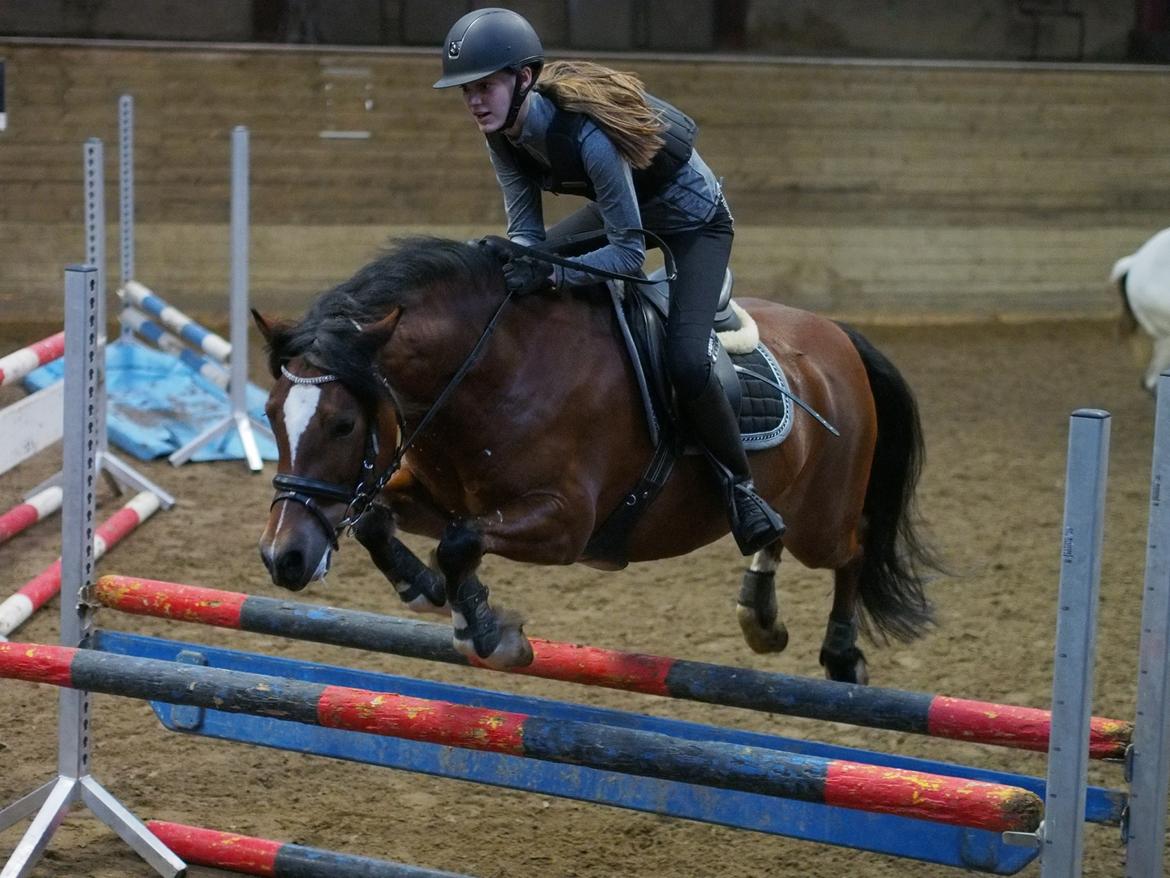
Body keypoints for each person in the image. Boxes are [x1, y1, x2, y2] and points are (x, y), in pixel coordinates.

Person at [433, 7, 784, 555]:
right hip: (627, 211)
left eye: (484, 86)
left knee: (688, 360)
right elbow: (527, 234)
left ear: (523, 79)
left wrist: (548, 269)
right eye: (465, 91)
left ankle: (741, 491)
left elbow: (624, 256)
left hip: (693, 225)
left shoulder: (591, 137)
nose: (474, 100)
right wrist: (515, 264)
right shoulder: (502, 135)